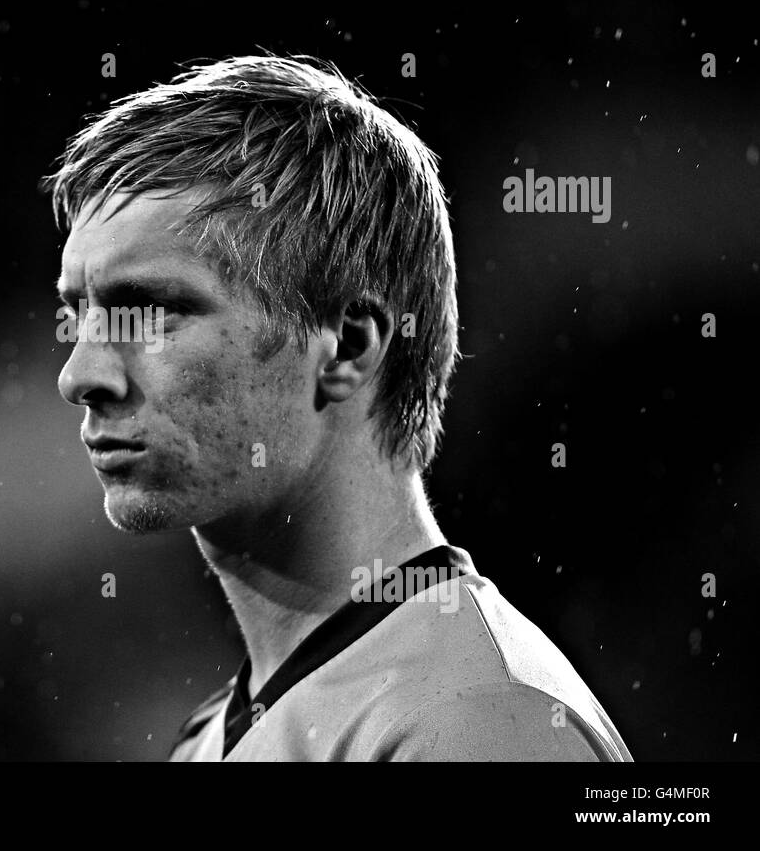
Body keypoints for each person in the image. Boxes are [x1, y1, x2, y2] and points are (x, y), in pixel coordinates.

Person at [42, 54, 632, 761]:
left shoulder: (484, 725)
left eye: (151, 312)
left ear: (348, 346)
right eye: (78, 315)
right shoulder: (218, 734)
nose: (80, 375)